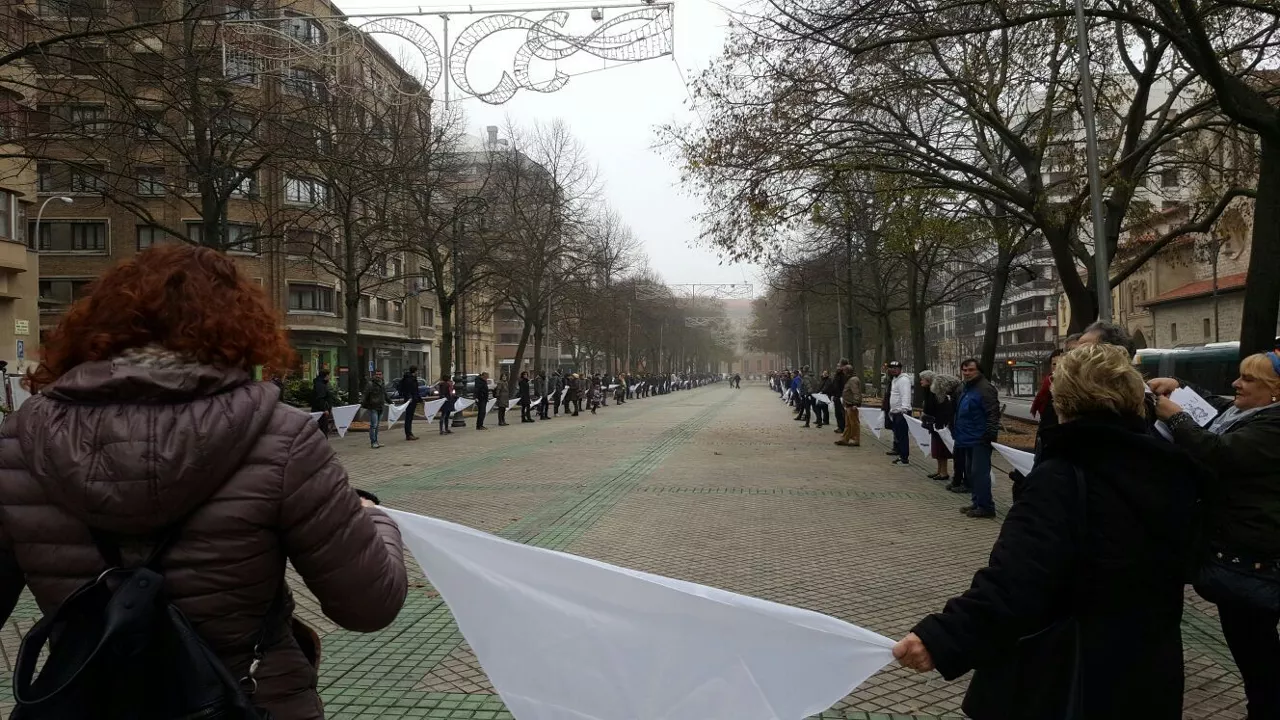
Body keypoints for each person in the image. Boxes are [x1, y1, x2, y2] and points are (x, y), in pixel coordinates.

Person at [0, 244, 408, 718]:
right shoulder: (283, 438)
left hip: (86, 696)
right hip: (247, 698)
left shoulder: (19, 442)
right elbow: (369, 606)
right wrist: (375, 520)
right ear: (241, 328)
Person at [893, 343, 1201, 720]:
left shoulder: (1064, 475)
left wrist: (943, 638)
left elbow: (1017, 581)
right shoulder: (1171, 467)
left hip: (1072, 675)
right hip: (1150, 670)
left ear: (1064, 400)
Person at [1150, 351, 1280, 719]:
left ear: (1276, 391)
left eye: (1249, 380)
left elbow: (1220, 451)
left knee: (1257, 651)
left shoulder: (1273, 426)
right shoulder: (1250, 413)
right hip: (1240, 552)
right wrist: (1181, 387)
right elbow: (1219, 407)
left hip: (1252, 559)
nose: (1237, 384)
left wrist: (1176, 419)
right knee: (1252, 646)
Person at [952, 359, 1000, 518]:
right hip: (966, 437)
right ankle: (977, 502)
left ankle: (986, 506)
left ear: (978, 371)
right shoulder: (966, 388)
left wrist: (989, 435)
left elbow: (992, 413)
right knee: (971, 473)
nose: (966, 373)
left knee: (980, 474)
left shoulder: (985, 389)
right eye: (964, 370)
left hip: (979, 438)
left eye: (970, 370)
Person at [920, 371, 958, 483]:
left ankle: (944, 472)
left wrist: (938, 423)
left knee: (941, 449)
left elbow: (937, 409)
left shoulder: (937, 394)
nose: (921, 381)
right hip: (935, 424)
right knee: (936, 449)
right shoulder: (929, 392)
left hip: (939, 425)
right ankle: (939, 470)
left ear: (929, 380)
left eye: (923, 379)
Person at [887, 361, 912, 465]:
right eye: (891, 368)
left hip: (902, 412)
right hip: (896, 412)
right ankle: (902, 455)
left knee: (902, 436)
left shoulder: (903, 380)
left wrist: (904, 409)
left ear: (900, 369)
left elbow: (905, 395)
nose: (893, 370)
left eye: (896, 368)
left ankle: (904, 457)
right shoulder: (895, 379)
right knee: (898, 435)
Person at [836, 362, 863, 447]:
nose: (843, 373)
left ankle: (855, 440)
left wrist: (855, 403)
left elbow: (856, 392)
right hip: (848, 404)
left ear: (847, 371)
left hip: (852, 405)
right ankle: (845, 438)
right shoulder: (850, 379)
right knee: (848, 423)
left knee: (854, 423)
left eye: (844, 371)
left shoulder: (853, 380)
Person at [360, 370, 388, 448]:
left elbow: (385, 394)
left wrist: (391, 402)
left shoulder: (382, 383)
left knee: (377, 426)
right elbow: (365, 394)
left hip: (380, 407)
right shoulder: (370, 384)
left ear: (382, 375)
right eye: (377, 374)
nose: (378, 376)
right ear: (374, 375)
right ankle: (373, 442)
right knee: (373, 425)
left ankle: (376, 441)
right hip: (373, 407)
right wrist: (362, 403)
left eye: (380, 374)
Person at [397, 367, 420, 441]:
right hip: (410, 400)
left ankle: (409, 433)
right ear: (415, 371)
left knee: (409, 417)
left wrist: (420, 399)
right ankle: (408, 434)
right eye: (417, 371)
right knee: (408, 418)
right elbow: (410, 390)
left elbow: (416, 391)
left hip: (412, 399)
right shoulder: (409, 379)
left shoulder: (411, 378)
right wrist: (410, 397)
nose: (417, 372)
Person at [311, 367, 333, 435]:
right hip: (320, 412)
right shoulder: (320, 385)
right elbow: (320, 398)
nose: (330, 377)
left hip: (319, 410)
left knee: (322, 429)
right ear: (326, 376)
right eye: (329, 375)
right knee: (322, 430)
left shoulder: (320, 384)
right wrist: (325, 409)